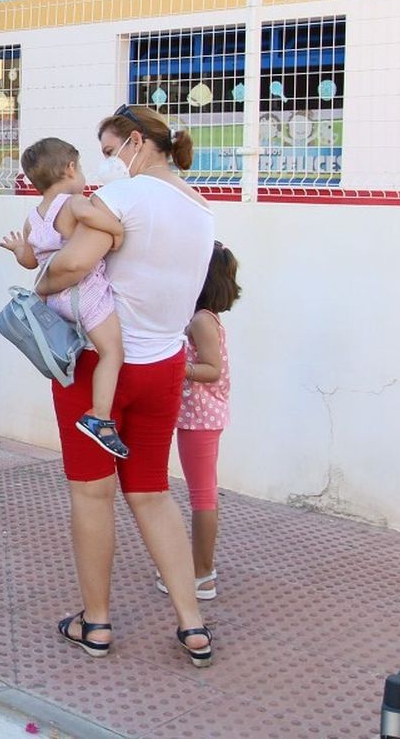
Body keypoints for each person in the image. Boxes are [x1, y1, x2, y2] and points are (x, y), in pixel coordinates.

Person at [36, 103, 216, 668]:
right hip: (164, 364)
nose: (107, 164)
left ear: (137, 142)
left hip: (98, 369)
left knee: (93, 494)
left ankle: (97, 622)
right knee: (153, 492)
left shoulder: (126, 197)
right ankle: (192, 625)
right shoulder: (201, 208)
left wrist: (38, 278)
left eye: (111, 151)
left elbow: (69, 266)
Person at [0, 138, 129, 459]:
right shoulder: (73, 203)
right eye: (81, 167)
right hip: (84, 294)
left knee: (84, 349)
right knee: (112, 352)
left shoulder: (34, 217)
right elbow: (99, 220)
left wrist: (18, 249)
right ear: (70, 168)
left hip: (54, 301)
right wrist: (118, 231)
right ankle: (100, 416)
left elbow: (31, 261)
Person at [157, 241, 241, 602]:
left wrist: (177, 368)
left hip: (201, 417)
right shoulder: (202, 317)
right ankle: (199, 570)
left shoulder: (202, 321)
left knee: (203, 495)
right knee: (201, 493)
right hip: (197, 415)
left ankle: (202, 575)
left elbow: (212, 369)